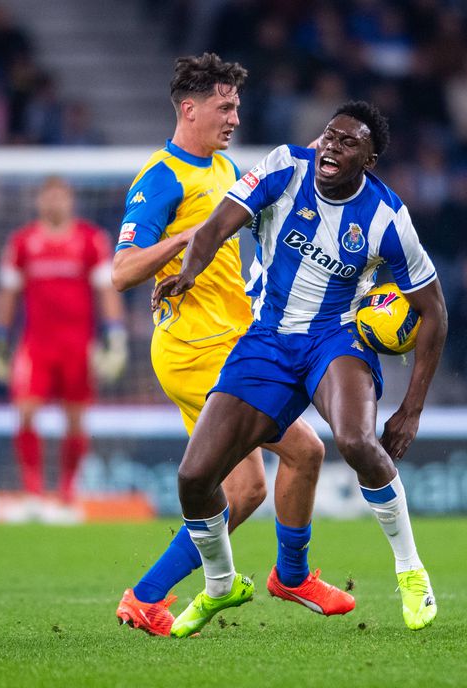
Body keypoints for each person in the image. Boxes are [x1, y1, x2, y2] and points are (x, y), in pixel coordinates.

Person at [153, 100, 448, 637]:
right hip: (266, 338)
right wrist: (190, 273)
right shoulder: (283, 168)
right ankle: (222, 583)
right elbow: (216, 225)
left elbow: (435, 311)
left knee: (357, 442)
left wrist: (411, 409)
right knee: (194, 478)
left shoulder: (387, 219)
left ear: (370, 160)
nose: (331, 145)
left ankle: (410, 570)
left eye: (347, 142)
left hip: (335, 337)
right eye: (329, 135)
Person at [112, 53, 352, 636]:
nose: (235, 117)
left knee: (244, 490)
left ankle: (144, 598)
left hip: (227, 341)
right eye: (225, 106)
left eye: (238, 106)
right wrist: (192, 235)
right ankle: (290, 576)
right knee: (306, 451)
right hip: (197, 350)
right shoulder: (161, 178)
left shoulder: (222, 168)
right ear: (189, 108)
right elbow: (121, 271)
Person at [0, 176, 128, 516]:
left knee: (76, 420)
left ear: (70, 201)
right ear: (39, 201)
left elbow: (106, 290)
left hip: (78, 347)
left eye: (60, 197)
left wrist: (115, 335)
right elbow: (8, 294)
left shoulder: (90, 240)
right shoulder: (22, 242)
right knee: (25, 413)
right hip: (36, 346)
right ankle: (32, 492)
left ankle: (67, 492)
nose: (54, 203)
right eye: (48, 196)